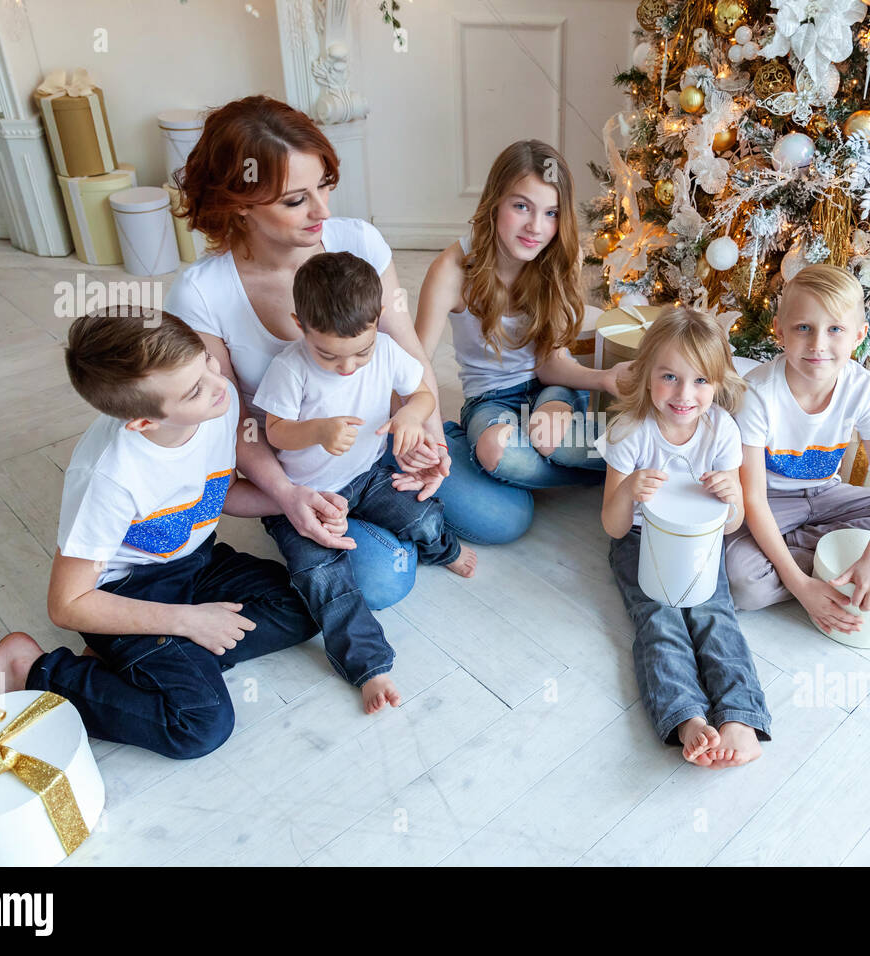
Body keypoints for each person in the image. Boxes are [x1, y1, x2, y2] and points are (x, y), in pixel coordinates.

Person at [166, 96, 531, 611]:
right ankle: (359, 527)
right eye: (296, 200)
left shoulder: (358, 242)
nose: (323, 211)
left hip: (382, 443)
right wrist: (289, 498)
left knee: (507, 519)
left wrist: (425, 438)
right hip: (299, 471)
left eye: (324, 185)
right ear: (240, 204)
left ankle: (395, 507)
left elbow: (408, 357)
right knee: (385, 581)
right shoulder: (202, 294)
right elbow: (234, 421)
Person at [0, 308, 315, 759]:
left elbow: (219, 492)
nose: (219, 384)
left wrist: (293, 499)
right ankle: (31, 669)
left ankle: (141, 661)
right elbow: (67, 604)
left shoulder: (215, 401)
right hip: (126, 590)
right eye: (194, 389)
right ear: (143, 422)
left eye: (207, 361)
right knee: (200, 724)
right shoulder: (108, 478)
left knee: (304, 602)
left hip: (195, 562)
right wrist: (187, 622)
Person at [255, 252, 476, 714]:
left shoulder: (388, 351)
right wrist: (316, 430)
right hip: (304, 498)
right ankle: (369, 667)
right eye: (329, 354)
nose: (348, 367)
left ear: (377, 321)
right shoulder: (290, 368)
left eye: (362, 351)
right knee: (321, 575)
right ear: (300, 324)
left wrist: (411, 417)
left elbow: (421, 392)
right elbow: (274, 430)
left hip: (368, 473)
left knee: (421, 510)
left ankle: (445, 550)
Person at [725, 264, 870, 631]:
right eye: (804, 328)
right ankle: (819, 561)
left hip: (827, 495)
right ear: (779, 331)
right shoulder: (758, 394)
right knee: (743, 584)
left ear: (859, 335)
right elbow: (751, 498)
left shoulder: (861, 387)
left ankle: (820, 554)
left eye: (835, 329)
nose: (818, 344)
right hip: (771, 502)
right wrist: (802, 588)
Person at [596, 305, 771, 769]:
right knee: (660, 618)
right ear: (646, 374)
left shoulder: (722, 432)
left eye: (699, 381)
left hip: (701, 542)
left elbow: (731, 525)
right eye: (669, 377)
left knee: (715, 613)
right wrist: (630, 490)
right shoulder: (630, 431)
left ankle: (739, 717)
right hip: (639, 540)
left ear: (717, 383)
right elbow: (612, 527)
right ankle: (685, 716)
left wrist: (734, 498)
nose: (684, 394)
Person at [414, 140, 630, 495]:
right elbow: (415, 364)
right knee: (496, 450)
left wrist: (604, 379)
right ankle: (607, 472)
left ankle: (639, 455)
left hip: (550, 388)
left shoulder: (559, 257)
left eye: (551, 213)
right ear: (494, 203)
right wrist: (431, 432)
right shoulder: (450, 271)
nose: (536, 227)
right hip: (489, 400)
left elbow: (550, 365)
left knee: (546, 436)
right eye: (521, 206)